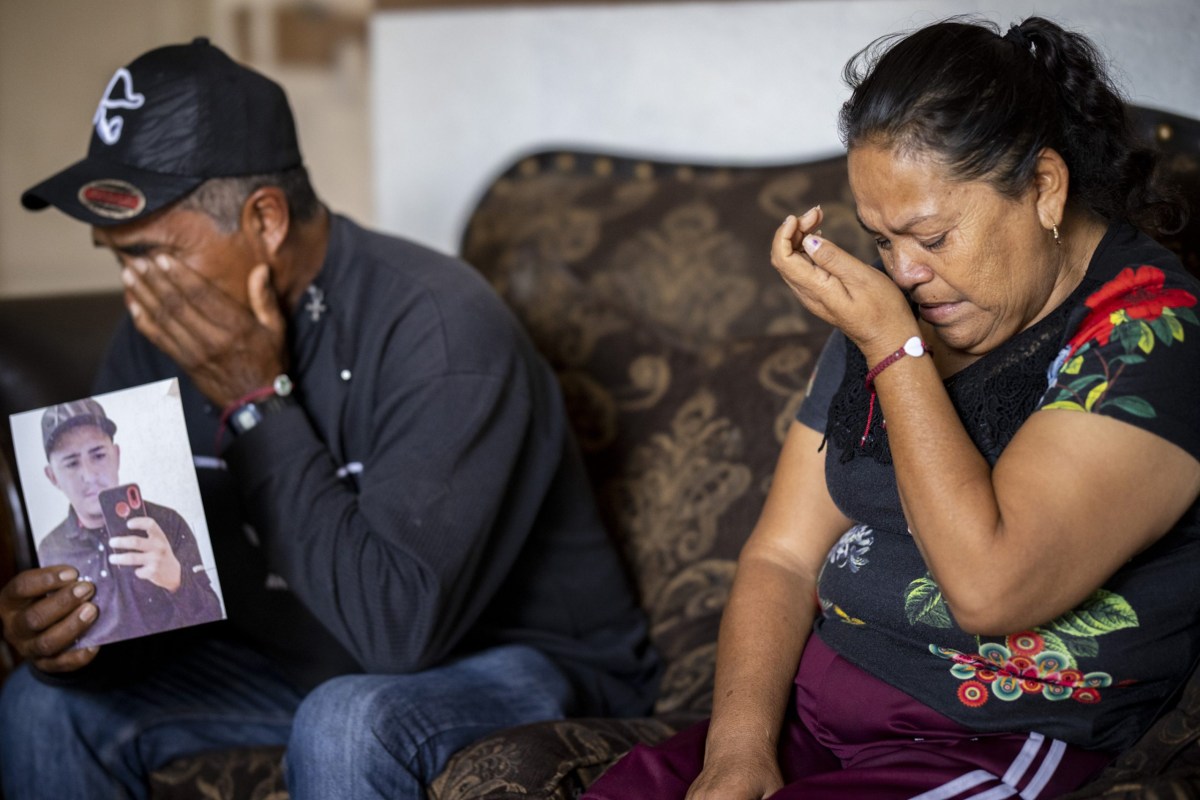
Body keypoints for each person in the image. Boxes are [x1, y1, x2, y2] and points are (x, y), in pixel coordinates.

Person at [0, 38, 658, 800]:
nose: (136, 292)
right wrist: (74, 637)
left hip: (518, 660)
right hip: (296, 662)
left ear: (265, 219)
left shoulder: (440, 325)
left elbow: (395, 634)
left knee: (346, 720)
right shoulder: (154, 333)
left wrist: (256, 401)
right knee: (42, 706)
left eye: (152, 255)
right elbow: (157, 606)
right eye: (117, 258)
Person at [583, 15, 1199, 800]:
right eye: (881, 241)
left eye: (932, 237)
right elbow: (782, 557)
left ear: (1044, 188)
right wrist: (737, 752)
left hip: (987, 741)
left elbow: (990, 588)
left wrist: (892, 350)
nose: (905, 274)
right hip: (813, 722)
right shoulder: (910, 308)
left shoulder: (1152, 335)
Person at [37, 398, 223, 647]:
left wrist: (177, 581)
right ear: (52, 477)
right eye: (71, 463)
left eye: (98, 455)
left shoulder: (168, 522)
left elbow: (214, 615)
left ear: (117, 456)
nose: (89, 476)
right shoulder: (50, 550)